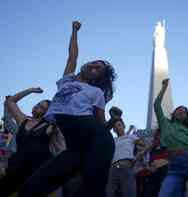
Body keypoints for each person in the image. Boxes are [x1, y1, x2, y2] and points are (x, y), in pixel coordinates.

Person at [17, 21, 120, 197]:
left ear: (98, 78)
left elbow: (101, 126)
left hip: (98, 142)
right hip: (74, 148)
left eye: (98, 69)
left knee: (92, 191)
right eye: (94, 63)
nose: (93, 67)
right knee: (30, 188)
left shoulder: (96, 92)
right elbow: (72, 56)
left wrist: (113, 120)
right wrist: (74, 31)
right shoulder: (67, 80)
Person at [156, 79, 188, 197]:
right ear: (173, 113)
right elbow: (156, 105)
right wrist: (164, 88)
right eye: (179, 110)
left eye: (184, 112)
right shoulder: (165, 124)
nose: (181, 111)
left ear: (186, 117)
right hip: (174, 166)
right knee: (165, 194)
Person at [0, 87, 54, 197]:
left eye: (41, 107)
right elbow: (10, 102)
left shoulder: (49, 127)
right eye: (38, 104)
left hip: (34, 173)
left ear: (46, 113)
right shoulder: (23, 120)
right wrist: (31, 90)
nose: (37, 106)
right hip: (14, 169)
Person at [106, 118, 145, 197]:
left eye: (119, 125)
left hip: (126, 166)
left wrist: (136, 158)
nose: (117, 127)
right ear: (113, 130)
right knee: (108, 193)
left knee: (129, 193)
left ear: (124, 126)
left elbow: (145, 146)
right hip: (113, 168)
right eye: (115, 127)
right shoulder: (113, 140)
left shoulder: (131, 137)